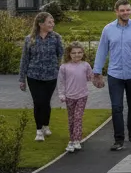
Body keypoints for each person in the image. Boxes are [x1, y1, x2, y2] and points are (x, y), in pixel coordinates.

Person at [93, 0, 131, 151]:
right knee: (116, 107)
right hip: (115, 75)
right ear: (116, 12)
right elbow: (102, 51)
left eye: (128, 10)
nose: (126, 12)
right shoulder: (108, 30)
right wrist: (97, 72)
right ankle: (118, 140)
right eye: (122, 10)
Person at [19, 12, 64, 142]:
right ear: (41, 24)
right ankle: (39, 130)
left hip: (51, 76)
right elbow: (24, 60)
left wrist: (61, 72)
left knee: (46, 102)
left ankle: (46, 125)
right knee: (38, 102)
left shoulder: (56, 38)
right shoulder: (29, 39)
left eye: (53, 22)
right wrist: (22, 79)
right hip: (34, 76)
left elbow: (61, 56)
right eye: (50, 22)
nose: (52, 24)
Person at [57, 42, 96, 153]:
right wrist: (61, 94)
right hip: (69, 96)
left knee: (78, 117)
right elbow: (61, 82)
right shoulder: (64, 67)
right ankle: (72, 139)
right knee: (71, 119)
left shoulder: (86, 65)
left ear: (83, 53)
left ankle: (76, 140)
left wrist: (96, 78)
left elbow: (90, 77)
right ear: (69, 54)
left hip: (82, 96)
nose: (76, 55)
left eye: (79, 52)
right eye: (73, 53)